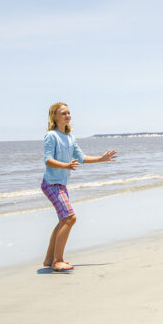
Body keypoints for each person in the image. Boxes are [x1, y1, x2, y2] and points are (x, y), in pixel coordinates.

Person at [41, 102, 117, 272]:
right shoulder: (51, 136)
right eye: (63, 113)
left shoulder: (70, 137)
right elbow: (48, 160)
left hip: (61, 184)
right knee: (70, 218)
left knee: (64, 219)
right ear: (54, 117)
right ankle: (57, 261)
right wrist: (65, 165)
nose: (67, 116)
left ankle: (49, 258)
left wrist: (101, 159)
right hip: (51, 184)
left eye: (68, 113)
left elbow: (81, 157)